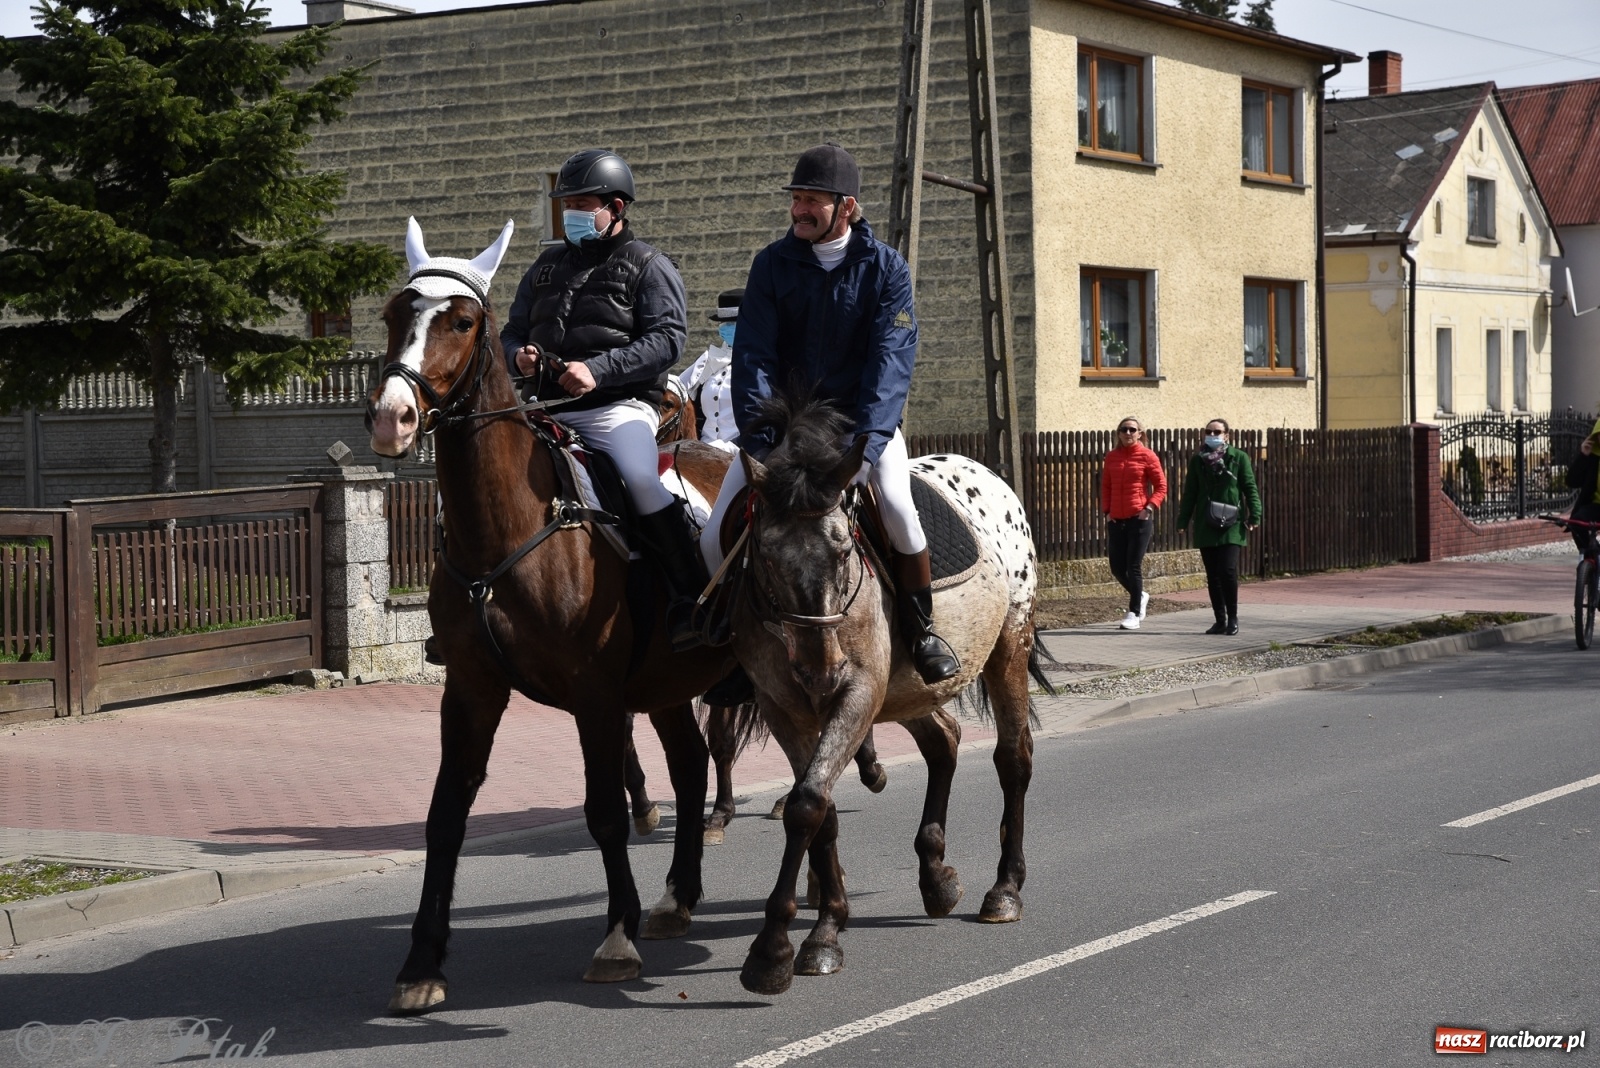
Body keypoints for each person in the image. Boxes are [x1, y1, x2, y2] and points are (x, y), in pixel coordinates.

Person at [702, 142, 959, 686]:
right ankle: (730, 643)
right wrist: (765, 433)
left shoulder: (886, 268)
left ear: (846, 206)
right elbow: (754, 353)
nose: (798, 209)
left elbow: (892, 359)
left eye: (811, 200)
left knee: (896, 506)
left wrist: (867, 441)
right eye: (795, 198)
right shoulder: (771, 265)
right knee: (712, 533)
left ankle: (921, 630)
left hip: (857, 427)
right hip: (782, 427)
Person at [498, 148, 704, 650]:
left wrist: (596, 370)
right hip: (546, 408)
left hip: (618, 408)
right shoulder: (545, 267)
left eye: (583, 203)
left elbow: (668, 340)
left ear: (616, 207)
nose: (571, 213)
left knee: (640, 478)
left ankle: (691, 600)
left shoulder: (649, 265)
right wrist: (517, 358)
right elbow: (510, 332)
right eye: (566, 203)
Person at [1175, 418, 1261, 636]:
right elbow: (1190, 493)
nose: (1213, 435)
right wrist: (1183, 520)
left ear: (1227, 435)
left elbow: (1249, 487)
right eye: (1209, 431)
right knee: (1213, 574)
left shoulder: (1238, 457)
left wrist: (1255, 515)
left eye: (1217, 432)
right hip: (1207, 521)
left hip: (1231, 522)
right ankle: (1219, 620)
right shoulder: (1198, 461)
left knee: (1228, 571)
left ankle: (1233, 618)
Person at [1101, 416, 1167, 630]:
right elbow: (1106, 487)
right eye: (1124, 429)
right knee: (1117, 568)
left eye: (1132, 430)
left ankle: (1134, 613)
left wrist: (1149, 508)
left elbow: (1161, 487)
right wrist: (1107, 512)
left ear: (1140, 433)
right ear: (1118, 433)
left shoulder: (1148, 456)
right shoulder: (1111, 457)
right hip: (1116, 519)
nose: (1128, 433)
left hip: (1139, 518)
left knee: (1133, 565)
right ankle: (1141, 595)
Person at [679, 288, 741, 451]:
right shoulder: (709, 360)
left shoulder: (759, 363)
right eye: (725, 323)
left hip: (739, 450)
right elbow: (678, 389)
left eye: (734, 323)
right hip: (703, 447)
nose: (728, 327)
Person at [1566, 426, 1600, 551]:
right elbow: (1572, 481)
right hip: (1596, 506)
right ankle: (1588, 554)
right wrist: (1583, 455)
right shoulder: (1593, 458)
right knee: (1577, 522)